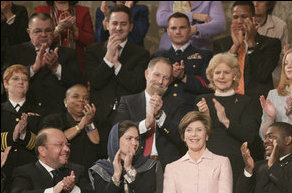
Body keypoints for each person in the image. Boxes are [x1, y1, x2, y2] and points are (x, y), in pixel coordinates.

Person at [113, 56, 190, 193]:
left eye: (166, 78)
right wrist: (145, 124)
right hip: (136, 164)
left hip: (165, 168)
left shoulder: (177, 104)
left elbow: (181, 139)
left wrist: (161, 116)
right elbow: (118, 133)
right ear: (147, 74)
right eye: (157, 75)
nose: (161, 81)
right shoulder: (128, 101)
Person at [196, 53, 262, 193]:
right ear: (211, 75)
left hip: (234, 165)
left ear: (235, 75)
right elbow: (193, 136)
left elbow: (250, 135)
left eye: (226, 72)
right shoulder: (202, 100)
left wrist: (226, 121)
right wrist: (206, 119)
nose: (222, 76)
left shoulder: (247, 102)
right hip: (206, 164)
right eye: (217, 72)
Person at [86, 4, 149, 154]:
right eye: (114, 23)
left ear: (131, 27)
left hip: (129, 118)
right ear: (107, 25)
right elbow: (95, 81)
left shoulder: (141, 54)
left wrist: (117, 64)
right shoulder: (92, 51)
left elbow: (136, 85)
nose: (118, 28)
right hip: (100, 118)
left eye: (123, 24)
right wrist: (108, 58)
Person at [162, 111, 233, 193]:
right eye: (189, 130)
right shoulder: (172, 167)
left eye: (199, 130)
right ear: (183, 136)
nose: (193, 134)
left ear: (207, 135)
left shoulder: (222, 162)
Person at [4, 12, 84, 117]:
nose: (43, 35)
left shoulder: (67, 53)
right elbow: (5, 82)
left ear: (54, 31)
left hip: (58, 116)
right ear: (29, 32)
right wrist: (33, 69)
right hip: (24, 114)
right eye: (37, 31)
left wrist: (56, 68)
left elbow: (79, 83)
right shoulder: (15, 52)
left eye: (48, 30)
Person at [1, 64, 43, 193]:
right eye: (15, 79)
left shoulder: (39, 110)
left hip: (29, 175)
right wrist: (13, 136)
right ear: (5, 84)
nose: (21, 82)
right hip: (4, 174)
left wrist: (25, 135)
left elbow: (43, 143)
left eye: (24, 79)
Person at [213, 1, 281, 98]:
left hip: (256, 102)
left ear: (254, 19)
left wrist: (251, 43)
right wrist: (235, 47)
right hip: (227, 100)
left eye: (244, 17)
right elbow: (218, 76)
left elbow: (262, 75)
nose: (239, 21)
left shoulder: (271, 44)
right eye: (235, 17)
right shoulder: (220, 44)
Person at [151, 12, 213, 108]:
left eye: (182, 27)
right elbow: (150, 87)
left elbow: (210, 86)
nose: (178, 32)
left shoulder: (205, 55)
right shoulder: (158, 57)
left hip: (192, 110)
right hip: (162, 108)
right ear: (168, 31)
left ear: (190, 29)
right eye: (173, 28)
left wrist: (183, 76)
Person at [40, 84, 101, 172]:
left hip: (90, 173)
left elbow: (97, 142)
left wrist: (89, 123)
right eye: (76, 96)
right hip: (60, 171)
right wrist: (80, 126)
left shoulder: (98, 122)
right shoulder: (52, 120)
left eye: (86, 98)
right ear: (65, 101)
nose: (81, 100)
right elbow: (54, 141)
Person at [35, 1, 94, 75]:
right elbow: (37, 41)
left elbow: (91, 42)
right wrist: (57, 30)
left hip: (77, 64)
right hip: (48, 64)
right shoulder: (41, 11)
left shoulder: (83, 11)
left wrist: (75, 30)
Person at [156, 1, 226, 51]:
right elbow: (161, 19)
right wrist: (192, 16)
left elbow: (220, 25)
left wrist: (194, 29)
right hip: (168, 50)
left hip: (199, 52)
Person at [253, 1, 289, 88]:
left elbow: (282, 59)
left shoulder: (280, 26)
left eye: (260, 1)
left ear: (269, 4)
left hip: (273, 73)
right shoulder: (243, 23)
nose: (255, 4)